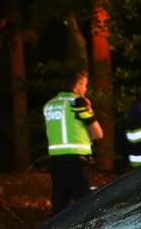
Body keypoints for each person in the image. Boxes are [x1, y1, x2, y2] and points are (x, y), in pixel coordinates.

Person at [43, 70, 104, 213]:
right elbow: (98, 133)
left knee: (60, 205)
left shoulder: (50, 104)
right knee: (86, 205)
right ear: (78, 85)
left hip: (56, 161)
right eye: (85, 85)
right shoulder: (78, 102)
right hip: (78, 161)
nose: (86, 89)